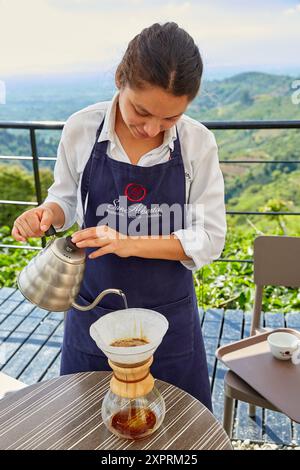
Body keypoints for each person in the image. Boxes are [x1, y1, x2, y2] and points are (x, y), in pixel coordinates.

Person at [12, 22, 226, 410]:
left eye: (169, 119)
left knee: (177, 430)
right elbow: (64, 199)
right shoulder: (81, 128)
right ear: (119, 79)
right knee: (88, 421)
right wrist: (46, 213)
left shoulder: (198, 143)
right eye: (141, 111)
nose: (150, 129)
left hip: (169, 319)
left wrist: (127, 243)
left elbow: (210, 237)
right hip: (95, 309)